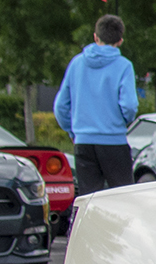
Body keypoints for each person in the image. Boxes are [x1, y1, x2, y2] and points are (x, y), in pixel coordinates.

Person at [53, 14, 139, 195]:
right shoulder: (124, 66)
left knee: (89, 198)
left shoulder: (76, 64)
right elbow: (130, 105)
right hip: (114, 140)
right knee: (123, 197)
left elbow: (60, 106)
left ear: (95, 36)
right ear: (120, 40)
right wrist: (123, 121)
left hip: (84, 141)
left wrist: (72, 130)